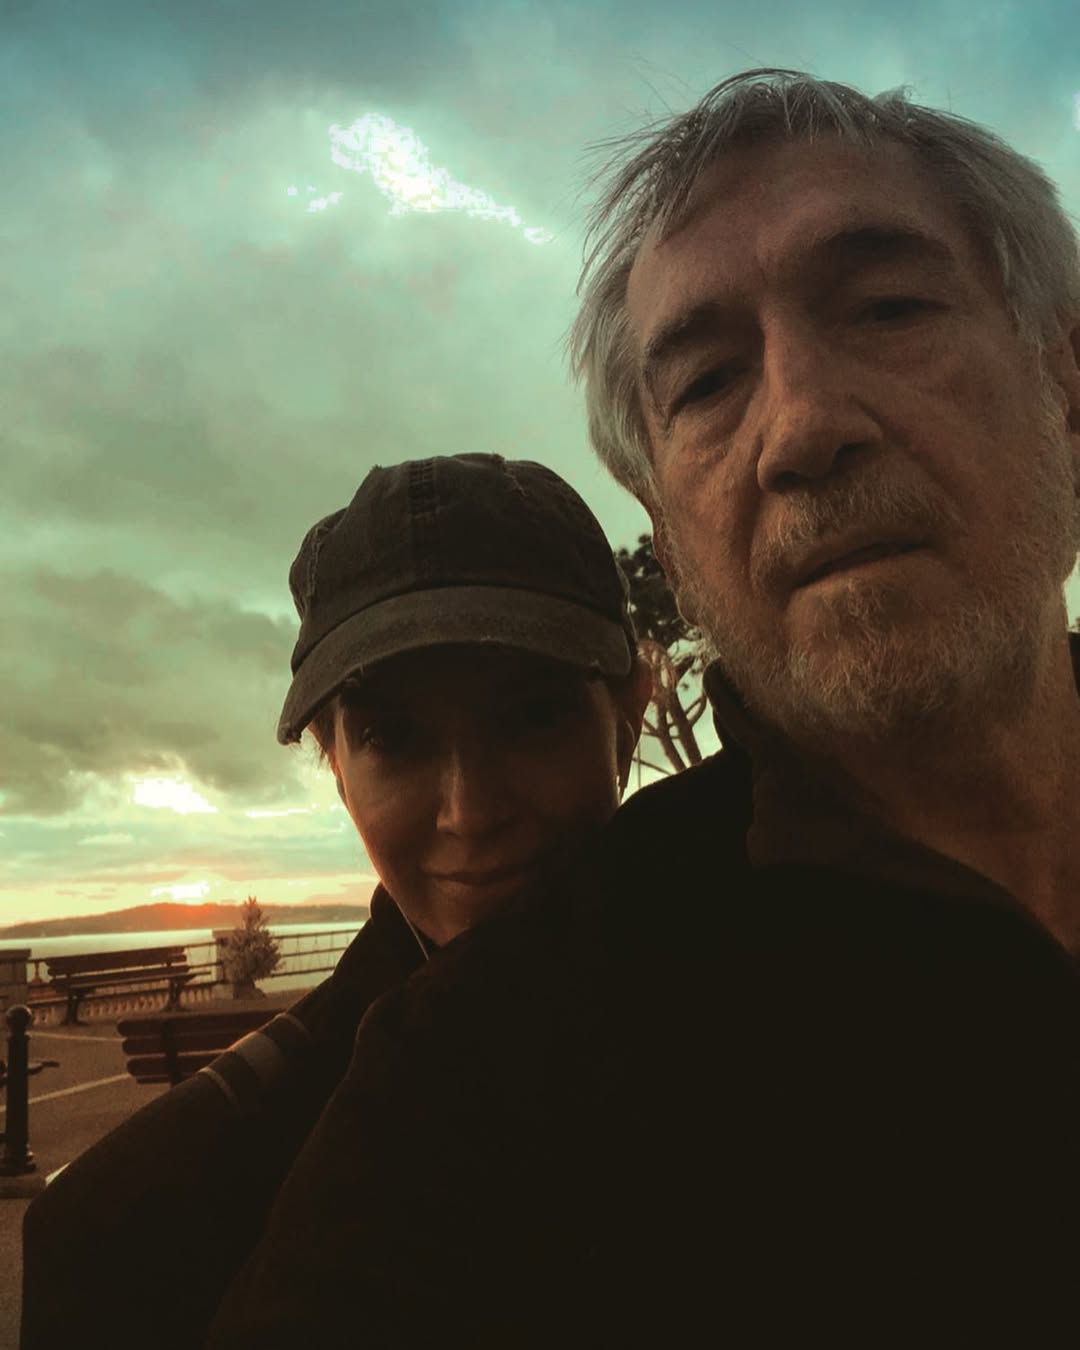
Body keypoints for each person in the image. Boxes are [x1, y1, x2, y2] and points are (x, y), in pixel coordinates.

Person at [202, 70, 1080, 1348]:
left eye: (890, 307)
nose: (803, 427)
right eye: (708, 383)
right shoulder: (484, 1078)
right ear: (669, 534)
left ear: (1066, 382)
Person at [18, 453, 650, 1350]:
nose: (469, 811)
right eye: (396, 736)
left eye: (533, 715)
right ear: (336, 764)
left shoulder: (793, 991)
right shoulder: (140, 1230)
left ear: (630, 711)